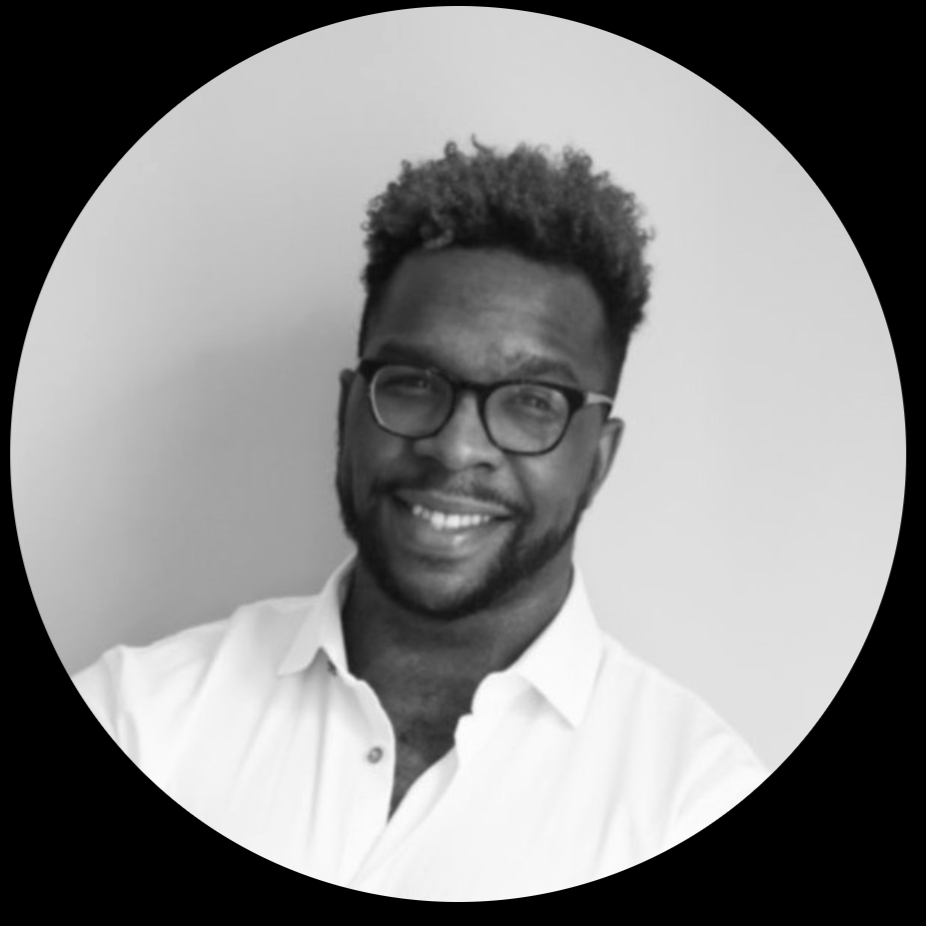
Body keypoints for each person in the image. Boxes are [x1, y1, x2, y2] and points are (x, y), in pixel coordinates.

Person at [73, 139, 767, 900]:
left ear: (598, 459)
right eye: (412, 383)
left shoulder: (695, 803)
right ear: (348, 412)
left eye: (533, 401)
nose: (455, 446)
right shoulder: (138, 721)